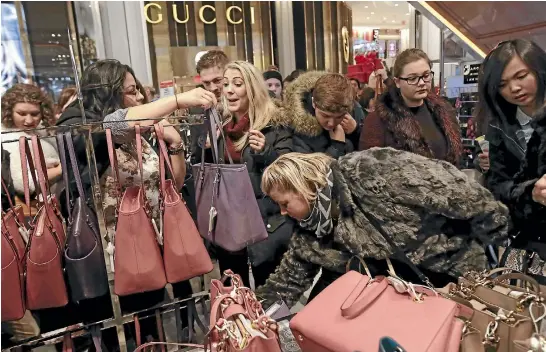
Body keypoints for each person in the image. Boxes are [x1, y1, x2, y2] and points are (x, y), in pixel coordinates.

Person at [255, 151, 509, 307]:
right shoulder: (310, 230)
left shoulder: (368, 170)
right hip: (392, 298)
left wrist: (497, 233)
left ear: (305, 189)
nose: (283, 212)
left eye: (285, 203)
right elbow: (287, 282)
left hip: (447, 278)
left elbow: (458, 192)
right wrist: (250, 314)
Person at [198, 61, 294, 287]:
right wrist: (205, 148)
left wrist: (266, 153)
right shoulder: (219, 128)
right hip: (230, 230)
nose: (228, 89)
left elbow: (290, 172)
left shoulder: (274, 125)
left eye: (237, 84)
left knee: (270, 300)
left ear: (252, 88)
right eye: (226, 84)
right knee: (235, 296)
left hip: (266, 229)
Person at [478, 39, 546, 265]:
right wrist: (530, 193)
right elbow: (497, 187)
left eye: (521, 76)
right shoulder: (499, 126)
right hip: (528, 244)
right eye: (502, 84)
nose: (514, 88)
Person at [360, 49, 462, 166]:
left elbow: (457, 159)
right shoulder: (378, 119)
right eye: (412, 78)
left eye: (426, 75)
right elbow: (368, 169)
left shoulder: (445, 112)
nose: (421, 83)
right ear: (397, 82)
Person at [1, 84, 61, 197]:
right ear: (9, 112)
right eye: (21, 114)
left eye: (34, 114)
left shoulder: (40, 132)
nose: (29, 120)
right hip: (35, 207)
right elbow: (24, 184)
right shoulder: (10, 140)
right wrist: (60, 170)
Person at [282, 71, 359, 158]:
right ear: (313, 103)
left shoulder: (351, 118)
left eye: (339, 117)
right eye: (325, 116)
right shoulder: (297, 128)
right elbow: (308, 169)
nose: (331, 123)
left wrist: (355, 132)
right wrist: (336, 147)